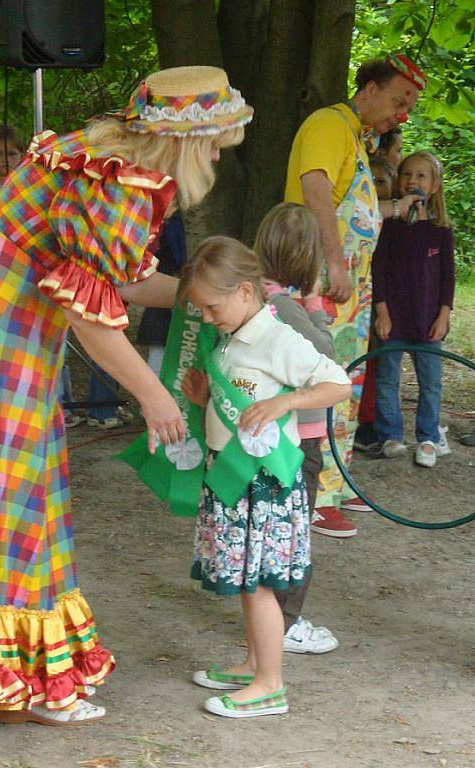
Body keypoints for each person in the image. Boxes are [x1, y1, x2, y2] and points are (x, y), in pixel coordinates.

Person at [0, 66, 253, 725]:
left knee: (10, 487)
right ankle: (12, 682)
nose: (219, 155)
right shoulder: (124, 189)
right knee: (10, 492)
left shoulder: (99, 157)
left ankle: (17, 672)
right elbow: (90, 317)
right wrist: (155, 400)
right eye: (216, 141)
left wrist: (221, 294)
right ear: (187, 142)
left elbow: (122, 281)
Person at [179, 236, 351, 718]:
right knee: (247, 581)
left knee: (258, 584)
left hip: (265, 486)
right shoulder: (230, 337)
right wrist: (204, 400)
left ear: (247, 292)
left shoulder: (278, 339)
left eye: (213, 307)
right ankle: (256, 663)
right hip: (235, 479)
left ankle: (270, 685)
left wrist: (288, 402)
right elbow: (239, 410)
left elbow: (338, 382)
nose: (209, 318)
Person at [284, 54, 426, 537]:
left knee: (346, 384)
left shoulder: (355, 138)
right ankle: (315, 495)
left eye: (408, 106)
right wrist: (334, 261)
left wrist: (392, 207)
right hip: (321, 282)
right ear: (368, 88)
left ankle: (337, 481)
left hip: (349, 291)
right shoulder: (328, 123)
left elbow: (356, 208)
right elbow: (316, 189)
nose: (402, 114)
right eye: (398, 100)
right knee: (323, 382)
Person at [254, 202, 338, 651]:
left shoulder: (255, 297)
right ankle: (286, 622)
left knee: (271, 528)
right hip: (296, 441)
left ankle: (270, 616)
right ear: (309, 262)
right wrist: (315, 305)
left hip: (269, 437)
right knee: (295, 532)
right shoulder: (285, 307)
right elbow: (325, 355)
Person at [371, 150, 454, 468]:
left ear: (434, 185)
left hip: (428, 320)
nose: (412, 181)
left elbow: (448, 276)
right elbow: (378, 269)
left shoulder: (441, 229)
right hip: (393, 318)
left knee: (430, 382)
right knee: (387, 378)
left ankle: (428, 438)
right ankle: (391, 434)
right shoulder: (389, 226)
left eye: (421, 176)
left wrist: (444, 313)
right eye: (406, 174)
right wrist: (382, 311)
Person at [353, 155, 397, 453]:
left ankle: (369, 420)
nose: (376, 188)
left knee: (378, 361)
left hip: (386, 302)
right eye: (371, 181)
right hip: (360, 295)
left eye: (381, 182)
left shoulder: (396, 222)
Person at [137, 210, 187, 377]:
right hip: (160, 282)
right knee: (158, 351)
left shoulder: (171, 220)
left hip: (165, 281)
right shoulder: (165, 221)